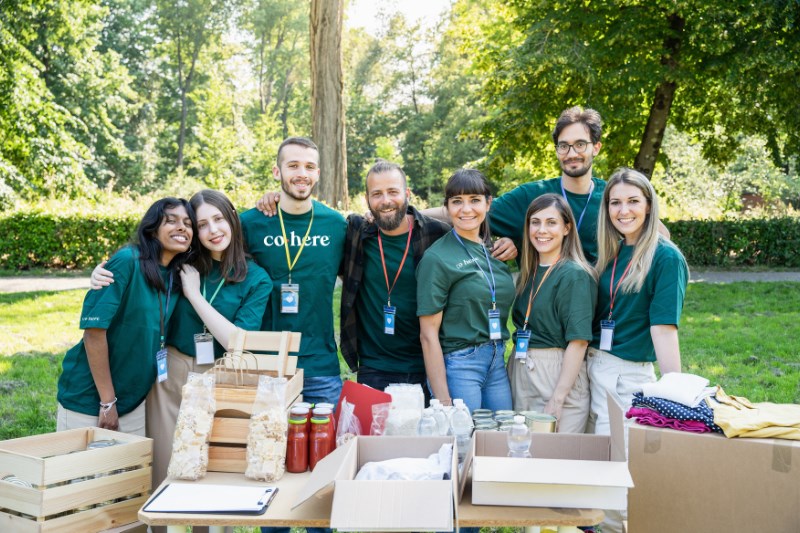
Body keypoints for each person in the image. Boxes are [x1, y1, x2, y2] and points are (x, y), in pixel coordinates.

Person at [150, 189, 271, 510]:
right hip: (172, 374)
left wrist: (194, 295)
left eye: (218, 219)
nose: (213, 231)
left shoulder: (256, 278)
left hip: (221, 375)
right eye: (202, 224)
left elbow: (237, 341)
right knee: (163, 468)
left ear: (232, 219)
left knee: (214, 470)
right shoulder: (181, 261)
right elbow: (138, 262)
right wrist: (99, 274)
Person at [588, 167, 688, 533]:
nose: (623, 210)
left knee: (615, 466)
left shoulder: (665, 257)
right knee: (593, 464)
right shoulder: (614, 251)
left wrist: (675, 389)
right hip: (595, 367)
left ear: (649, 205)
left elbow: (663, 329)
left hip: (626, 375)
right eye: (615, 202)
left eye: (632, 201)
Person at [58, 197, 194, 436]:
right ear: (152, 230)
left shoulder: (177, 275)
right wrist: (107, 402)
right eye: (171, 221)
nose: (182, 227)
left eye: (188, 222)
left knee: (130, 473)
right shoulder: (127, 261)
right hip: (92, 400)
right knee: (84, 473)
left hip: (134, 403)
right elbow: (93, 333)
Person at [241, 137, 347, 407]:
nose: (302, 174)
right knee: (265, 447)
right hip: (264, 361)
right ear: (277, 172)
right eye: (293, 165)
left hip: (320, 365)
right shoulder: (250, 223)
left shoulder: (336, 225)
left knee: (326, 447)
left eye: (310, 167)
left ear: (318, 174)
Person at [340, 160, 450, 398]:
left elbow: (470, 223)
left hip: (429, 363)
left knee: (431, 435)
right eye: (377, 194)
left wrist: (507, 244)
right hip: (374, 367)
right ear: (367, 200)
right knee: (377, 435)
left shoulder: (436, 234)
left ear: (407, 194)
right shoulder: (357, 234)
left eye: (393, 192)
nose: (385, 201)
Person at [416, 169, 515, 413]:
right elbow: (428, 335)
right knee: (462, 443)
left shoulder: (494, 251)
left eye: (474, 200)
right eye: (457, 201)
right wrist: (444, 401)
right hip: (460, 364)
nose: (466, 209)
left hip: (496, 359)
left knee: (499, 438)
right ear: (448, 207)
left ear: (488, 203)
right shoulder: (437, 258)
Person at [507, 194, 597, 433]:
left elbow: (578, 342)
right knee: (524, 454)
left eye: (551, 222)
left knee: (555, 457)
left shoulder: (574, 274)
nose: (541, 230)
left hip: (556, 373)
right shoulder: (529, 271)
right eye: (535, 222)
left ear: (567, 228)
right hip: (521, 367)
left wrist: (558, 399)